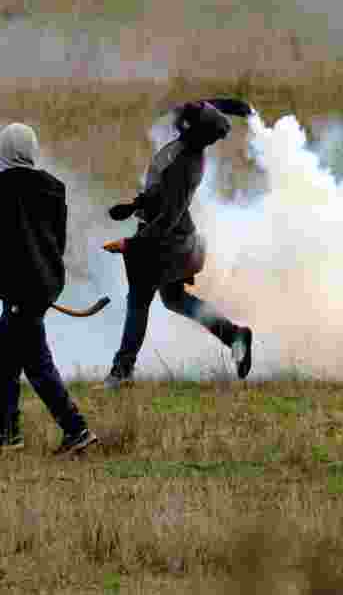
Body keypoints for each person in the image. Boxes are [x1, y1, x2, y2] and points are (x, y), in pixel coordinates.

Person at [0, 123, 98, 455]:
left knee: (36, 363)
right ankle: (5, 432)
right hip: (41, 285)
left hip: (23, 289)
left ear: (5, 151)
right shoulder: (53, 189)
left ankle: (76, 429)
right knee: (4, 358)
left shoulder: (4, 187)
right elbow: (58, 242)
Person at [102, 99, 253, 390]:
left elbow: (168, 217)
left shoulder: (186, 165)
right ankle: (233, 335)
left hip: (164, 242)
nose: (180, 122)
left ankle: (122, 371)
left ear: (196, 132)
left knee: (138, 300)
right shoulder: (188, 147)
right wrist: (136, 204)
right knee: (174, 299)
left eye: (188, 122)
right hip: (171, 238)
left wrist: (131, 244)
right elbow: (161, 193)